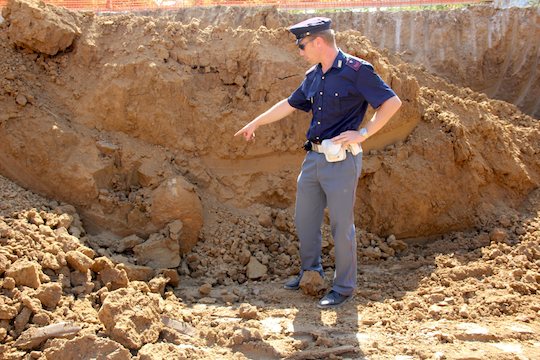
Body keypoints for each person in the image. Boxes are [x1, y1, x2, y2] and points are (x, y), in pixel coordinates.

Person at [234, 17, 402, 308]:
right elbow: (288, 104)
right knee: (305, 219)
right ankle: (310, 272)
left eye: (302, 45)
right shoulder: (314, 75)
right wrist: (256, 122)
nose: (300, 51)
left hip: (341, 161)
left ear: (318, 42)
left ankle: (344, 287)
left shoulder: (357, 70)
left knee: (341, 226)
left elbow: (392, 103)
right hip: (313, 158)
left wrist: (363, 133)